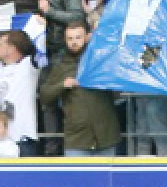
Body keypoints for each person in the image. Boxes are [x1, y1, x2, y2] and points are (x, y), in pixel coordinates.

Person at [38, 21, 120, 158]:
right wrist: (62, 85)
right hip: (77, 140)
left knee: (105, 180)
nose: (74, 42)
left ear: (87, 37)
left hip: (106, 137)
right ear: (65, 40)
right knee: (77, 180)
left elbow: (118, 88)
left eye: (78, 37)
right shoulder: (60, 65)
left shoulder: (101, 60)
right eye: (70, 38)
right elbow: (44, 96)